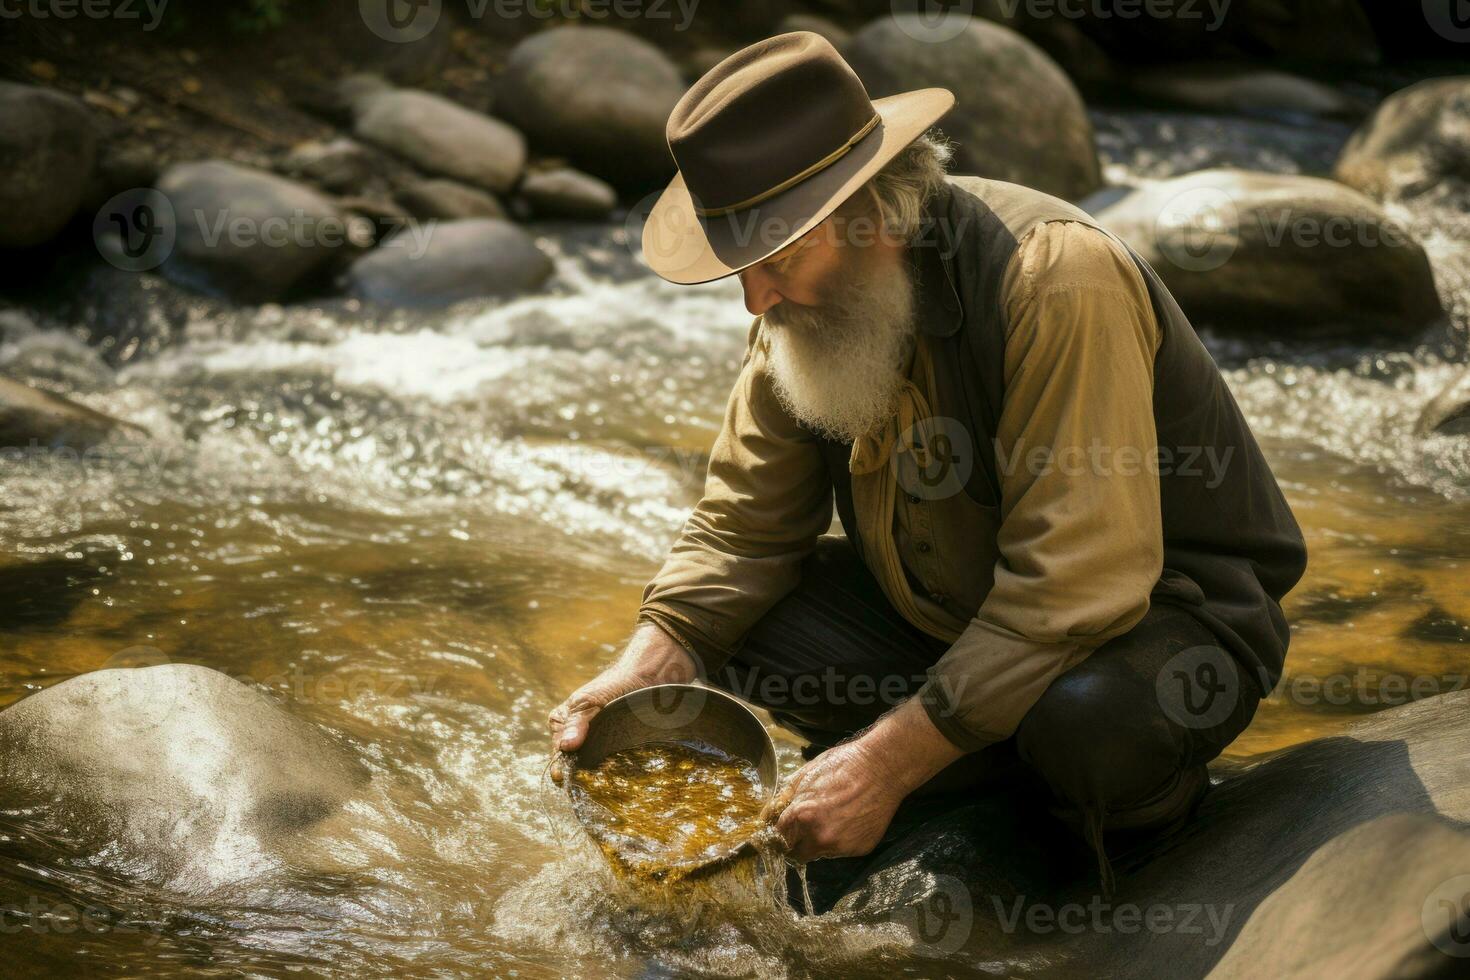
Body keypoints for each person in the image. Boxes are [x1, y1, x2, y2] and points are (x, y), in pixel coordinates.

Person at [548, 31, 1307, 889]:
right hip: (955, 617)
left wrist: (884, 765)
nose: (754, 300)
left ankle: (1090, 832)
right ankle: (968, 758)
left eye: (777, 259)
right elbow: (741, 532)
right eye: (741, 266)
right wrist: (641, 671)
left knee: (1085, 723)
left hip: (1154, 624)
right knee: (721, 637)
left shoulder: (1056, 277)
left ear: (877, 212)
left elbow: (1079, 586)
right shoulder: (797, 312)